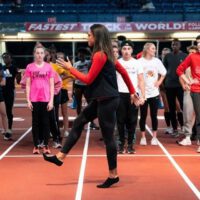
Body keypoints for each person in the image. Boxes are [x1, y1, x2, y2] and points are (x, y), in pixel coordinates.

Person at [43, 24, 140, 188]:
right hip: (102, 98)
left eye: (89, 35)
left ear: (97, 37)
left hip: (107, 100)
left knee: (109, 138)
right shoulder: (106, 54)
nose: (87, 37)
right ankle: (60, 157)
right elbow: (122, 72)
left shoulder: (101, 55)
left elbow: (87, 79)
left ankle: (113, 175)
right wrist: (132, 91)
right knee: (80, 121)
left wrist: (70, 68)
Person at [116, 40, 145, 154]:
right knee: (120, 121)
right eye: (124, 49)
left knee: (132, 121)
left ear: (132, 50)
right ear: (121, 50)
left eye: (128, 49)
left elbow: (141, 80)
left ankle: (131, 145)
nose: (126, 51)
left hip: (133, 95)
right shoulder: (117, 63)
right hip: (119, 94)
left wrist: (143, 96)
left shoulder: (137, 63)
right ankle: (121, 143)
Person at [25, 45, 54, 154]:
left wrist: (51, 101)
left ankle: (46, 145)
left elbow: (51, 85)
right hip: (34, 99)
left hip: (46, 99)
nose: (39, 55)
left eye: (41, 53)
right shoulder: (29, 67)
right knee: (35, 123)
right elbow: (28, 84)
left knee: (46, 123)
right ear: (34, 54)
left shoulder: (49, 67)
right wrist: (28, 100)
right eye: (37, 53)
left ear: (44, 54)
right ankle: (36, 145)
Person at [138, 43, 166, 145]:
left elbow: (164, 72)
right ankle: (143, 137)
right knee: (143, 115)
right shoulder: (139, 62)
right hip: (143, 93)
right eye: (153, 49)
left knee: (154, 115)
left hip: (154, 93)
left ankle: (154, 137)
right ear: (147, 49)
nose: (155, 50)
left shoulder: (157, 61)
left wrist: (159, 82)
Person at [177, 42, 200, 152]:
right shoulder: (189, 60)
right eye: (189, 52)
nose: (191, 54)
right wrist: (185, 83)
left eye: (193, 52)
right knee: (187, 112)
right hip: (190, 90)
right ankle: (187, 136)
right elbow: (180, 74)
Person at [163, 39, 187, 136]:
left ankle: (184, 127)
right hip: (169, 85)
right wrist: (163, 84)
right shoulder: (167, 56)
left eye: (176, 44)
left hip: (181, 85)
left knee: (183, 107)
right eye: (173, 45)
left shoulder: (185, 56)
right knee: (171, 108)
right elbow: (164, 71)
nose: (174, 46)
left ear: (180, 45)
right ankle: (174, 129)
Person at [73, 47, 99, 130]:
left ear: (85, 55)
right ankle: (79, 123)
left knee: (90, 104)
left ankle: (92, 122)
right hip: (78, 86)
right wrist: (73, 88)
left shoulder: (89, 62)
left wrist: (89, 51)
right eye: (79, 54)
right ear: (78, 55)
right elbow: (74, 77)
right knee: (78, 105)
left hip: (87, 85)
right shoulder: (75, 64)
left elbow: (94, 60)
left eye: (82, 54)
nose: (81, 55)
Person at [1, 52, 21, 140]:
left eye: (7, 57)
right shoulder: (2, 68)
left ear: (11, 58)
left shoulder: (14, 68)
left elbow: (18, 82)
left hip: (10, 92)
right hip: (1, 91)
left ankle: (9, 129)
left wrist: (19, 75)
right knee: (2, 111)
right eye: (3, 57)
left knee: (8, 111)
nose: (5, 59)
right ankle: (5, 128)